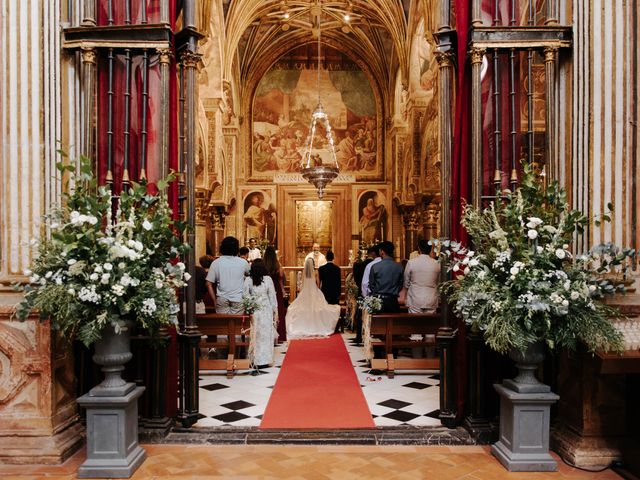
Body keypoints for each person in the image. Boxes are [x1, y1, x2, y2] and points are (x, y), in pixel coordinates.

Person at [286, 258, 340, 339]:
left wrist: (302, 291)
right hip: (314, 291)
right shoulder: (315, 272)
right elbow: (318, 284)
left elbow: (302, 283)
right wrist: (317, 290)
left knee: (299, 307)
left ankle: (302, 325)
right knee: (319, 307)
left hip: (305, 291)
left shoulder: (304, 272)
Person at [243, 259, 278, 369]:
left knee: (256, 335)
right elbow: (272, 296)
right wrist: (275, 311)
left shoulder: (248, 280)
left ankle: (255, 359)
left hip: (254, 309)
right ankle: (265, 360)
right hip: (265, 310)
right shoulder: (267, 279)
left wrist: (250, 305)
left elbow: (245, 295)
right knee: (265, 335)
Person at [206, 236, 250, 314]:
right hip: (238, 298)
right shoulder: (243, 262)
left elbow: (208, 283)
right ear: (237, 248)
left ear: (222, 247)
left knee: (222, 324)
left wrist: (214, 300)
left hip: (222, 298)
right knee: (237, 325)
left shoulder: (216, 262)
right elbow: (251, 276)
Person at [403, 239, 441, 314]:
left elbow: (406, 282)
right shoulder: (436, 263)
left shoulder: (411, 262)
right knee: (430, 324)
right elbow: (439, 282)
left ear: (419, 249)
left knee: (415, 324)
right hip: (431, 297)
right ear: (430, 249)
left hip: (415, 297)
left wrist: (405, 296)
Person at [369, 241, 403, 313]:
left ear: (382, 251)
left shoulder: (375, 266)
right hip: (393, 301)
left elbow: (371, 285)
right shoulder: (399, 267)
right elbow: (401, 284)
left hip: (378, 301)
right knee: (394, 323)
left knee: (379, 323)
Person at [263, 246, 288, 343]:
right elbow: (281, 278)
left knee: (267, 312)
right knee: (279, 312)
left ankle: (268, 336)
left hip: (265, 290)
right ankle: (280, 336)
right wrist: (283, 291)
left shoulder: (263, 265)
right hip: (276, 289)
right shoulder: (278, 265)